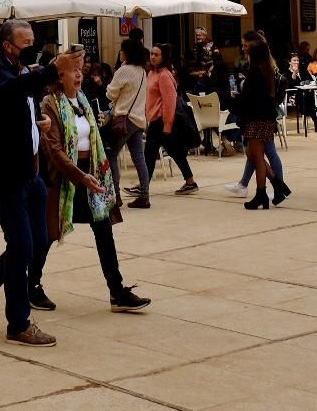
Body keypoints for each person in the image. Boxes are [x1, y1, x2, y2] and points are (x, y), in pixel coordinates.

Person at [0, 19, 81, 347]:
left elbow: (17, 104)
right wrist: (51, 70)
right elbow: (5, 94)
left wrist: (36, 122)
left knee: (39, 239)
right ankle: (18, 324)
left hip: (30, 172)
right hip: (5, 174)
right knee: (22, 246)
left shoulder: (19, 69)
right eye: (25, 41)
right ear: (7, 44)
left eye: (33, 40)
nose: (32, 45)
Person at [32, 50, 150, 312]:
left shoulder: (84, 100)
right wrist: (79, 175)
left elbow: (94, 137)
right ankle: (32, 285)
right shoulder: (50, 103)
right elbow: (54, 149)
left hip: (92, 172)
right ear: (58, 74)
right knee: (48, 234)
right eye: (72, 69)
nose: (78, 74)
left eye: (80, 68)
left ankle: (116, 291)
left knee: (103, 229)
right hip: (62, 177)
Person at [232, 35, 287, 209]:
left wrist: (237, 102)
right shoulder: (266, 69)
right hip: (264, 117)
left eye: (246, 46)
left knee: (256, 156)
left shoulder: (256, 71)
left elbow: (251, 98)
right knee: (255, 155)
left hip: (256, 118)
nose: (243, 49)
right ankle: (275, 187)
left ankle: (263, 193)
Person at [143, 44, 196, 194]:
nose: (152, 57)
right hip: (154, 119)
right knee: (175, 151)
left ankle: (143, 186)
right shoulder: (151, 73)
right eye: (152, 54)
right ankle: (190, 181)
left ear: (163, 57)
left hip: (162, 120)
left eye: (156, 54)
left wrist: (167, 125)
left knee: (149, 153)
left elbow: (169, 102)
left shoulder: (165, 75)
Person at [105, 38, 151, 209]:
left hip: (123, 120)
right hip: (138, 120)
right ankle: (144, 196)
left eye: (122, 49)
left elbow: (110, 94)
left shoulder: (124, 70)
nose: (119, 52)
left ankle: (116, 196)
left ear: (127, 52)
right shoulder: (142, 71)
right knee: (139, 157)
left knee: (111, 155)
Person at [185, 27, 217, 94]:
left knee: (203, 91)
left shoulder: (210, 44)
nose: (198, 37)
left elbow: (216, 59)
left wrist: (208, 70)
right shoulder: (196, 45)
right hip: (200, 73)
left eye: (199, 35)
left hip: (209, 73)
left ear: (204, 35)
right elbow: (196, 60)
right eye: (197, 35)